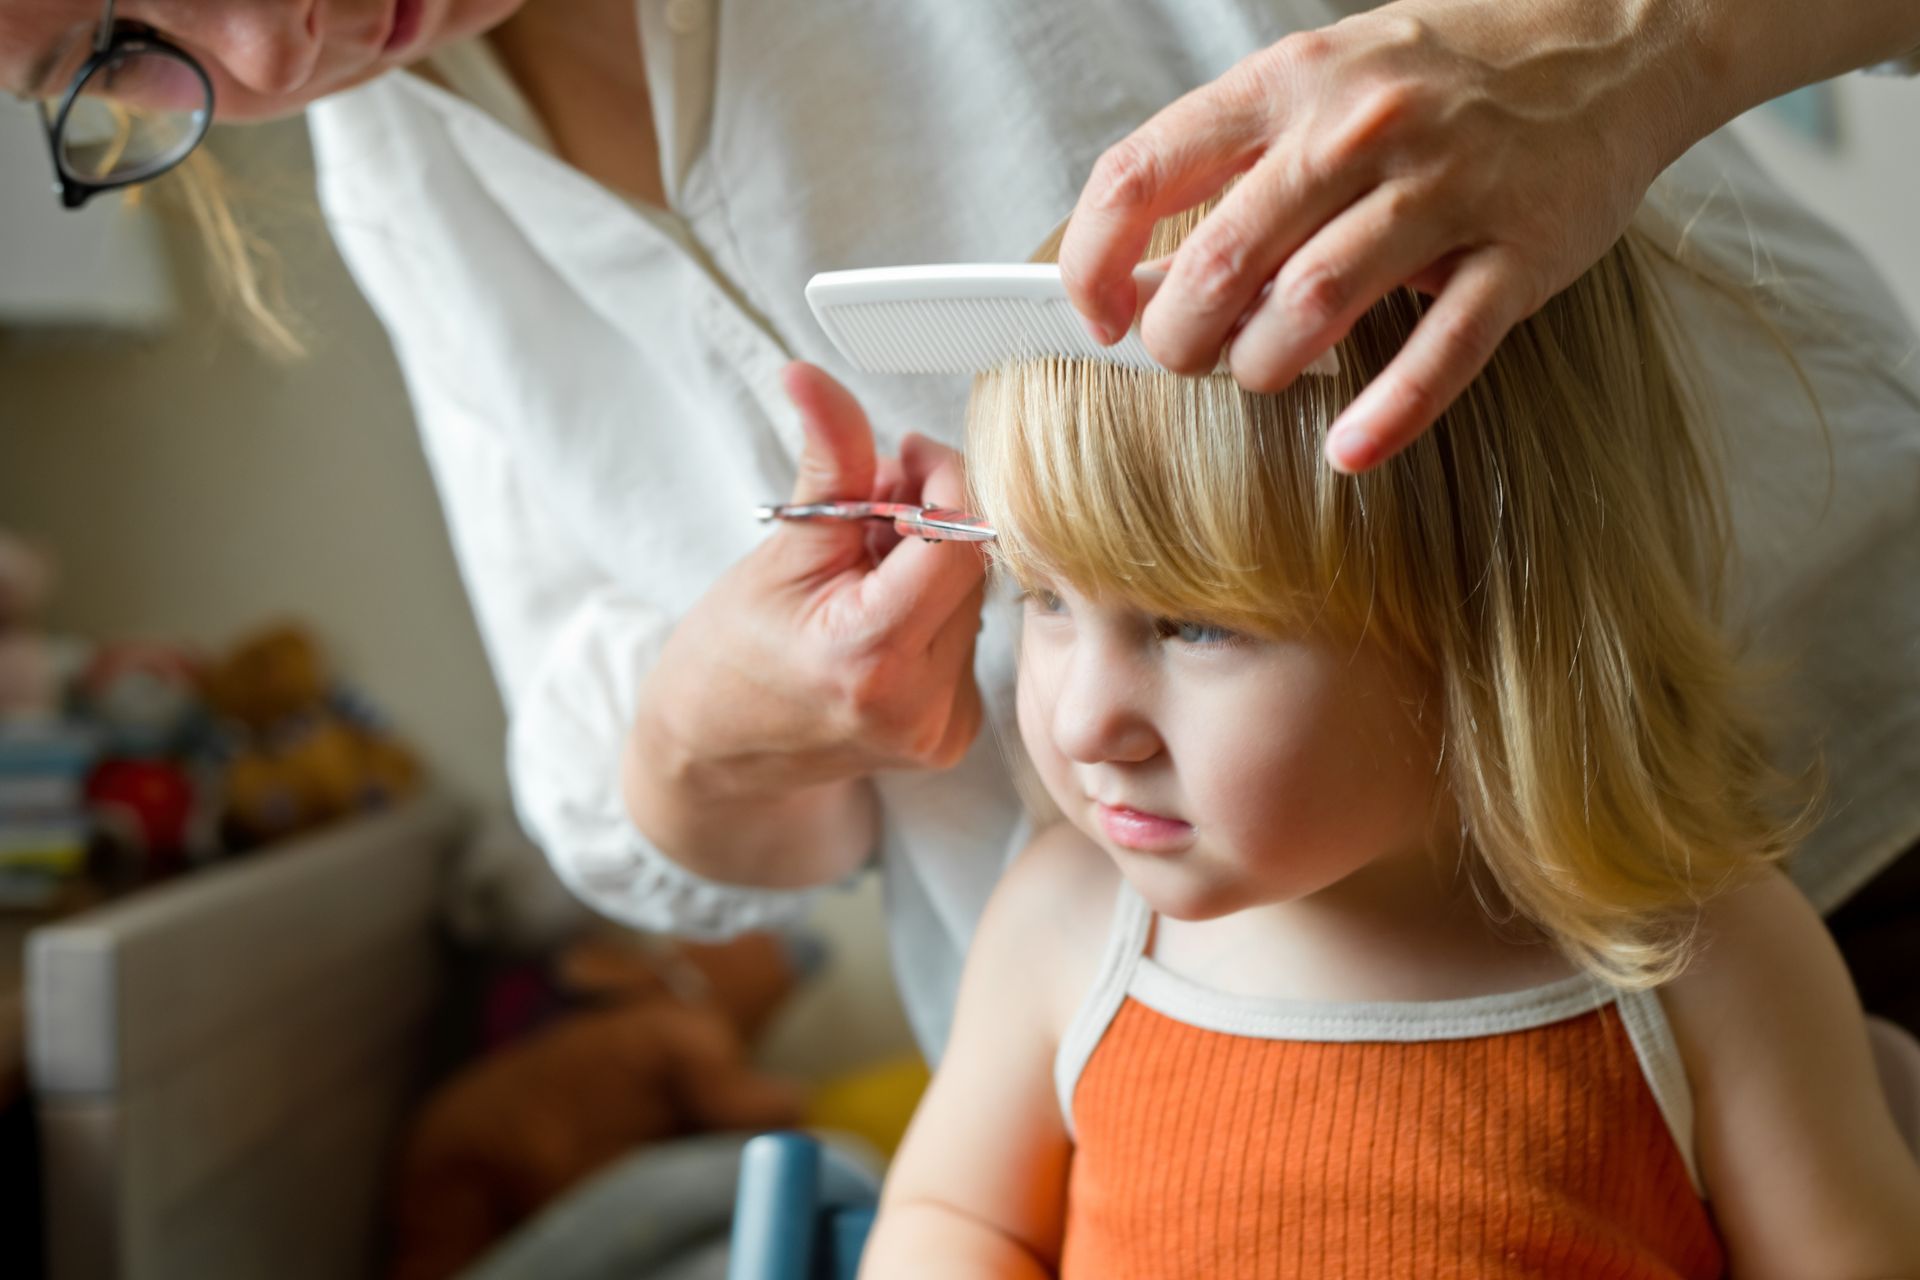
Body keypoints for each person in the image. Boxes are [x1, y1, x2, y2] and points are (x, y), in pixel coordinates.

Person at [5, 1, 1918, 1058]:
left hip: (1836, 828)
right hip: (1162, 1054)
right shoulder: (396, 146)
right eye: (101, 43)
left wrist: (1635, 49)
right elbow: (621, 773)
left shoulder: (1751, 986)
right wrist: (715, 724)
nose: (264, 50)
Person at [857, 191, 1920, 1278]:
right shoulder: (1065, 925)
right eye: (1044, 597)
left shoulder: (1702, 961)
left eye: (1194, 624)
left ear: (1484, 618)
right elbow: (956, 1217)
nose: (1084, 718)